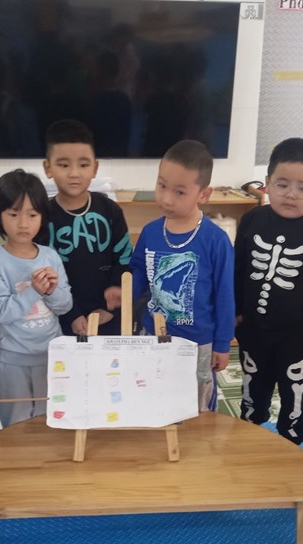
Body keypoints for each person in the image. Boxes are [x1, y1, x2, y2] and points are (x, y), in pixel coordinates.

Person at [234, 138, 303, 444]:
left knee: (296, 396)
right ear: (267, 183)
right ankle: (249, 437)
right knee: (252, 388)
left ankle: (293, 443)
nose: (291, 194)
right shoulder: (252, 220)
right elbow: (238, 267)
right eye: (282, 185)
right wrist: (234, 310)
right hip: (254, 329)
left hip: (300, 336)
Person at [129, 139, 234, 411]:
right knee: (153, 399)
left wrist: (222, 344)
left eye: (179, 192)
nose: (166, 198)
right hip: (153, 336)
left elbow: (225, 295)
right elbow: (139, 270)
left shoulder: (216, 240)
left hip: (198, 343)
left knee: (198, 407)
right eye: (161, 186)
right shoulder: (150, 232)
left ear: (203, 194)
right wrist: (125, 291)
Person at [0, 169, 72, 427]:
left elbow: (65, 306)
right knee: (16, 422)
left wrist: (51, 291)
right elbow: (1, 312)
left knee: (51, 418)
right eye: (13, 214)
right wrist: (33, 290)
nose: (23, 224)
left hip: (51, 355)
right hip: (14, 359)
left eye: (32, 215)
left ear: (42, 217)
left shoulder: (50, 256)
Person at [34, 119, 132, 336]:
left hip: (108, 317)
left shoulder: (110, 210)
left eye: (83, 164)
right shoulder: (40, 217)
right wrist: (71, 314)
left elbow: (124, 259)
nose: (74, 173)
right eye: (63, 165)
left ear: (95, 168)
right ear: (48, 168)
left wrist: (110, 304)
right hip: (61, 320)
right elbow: (40, 272)